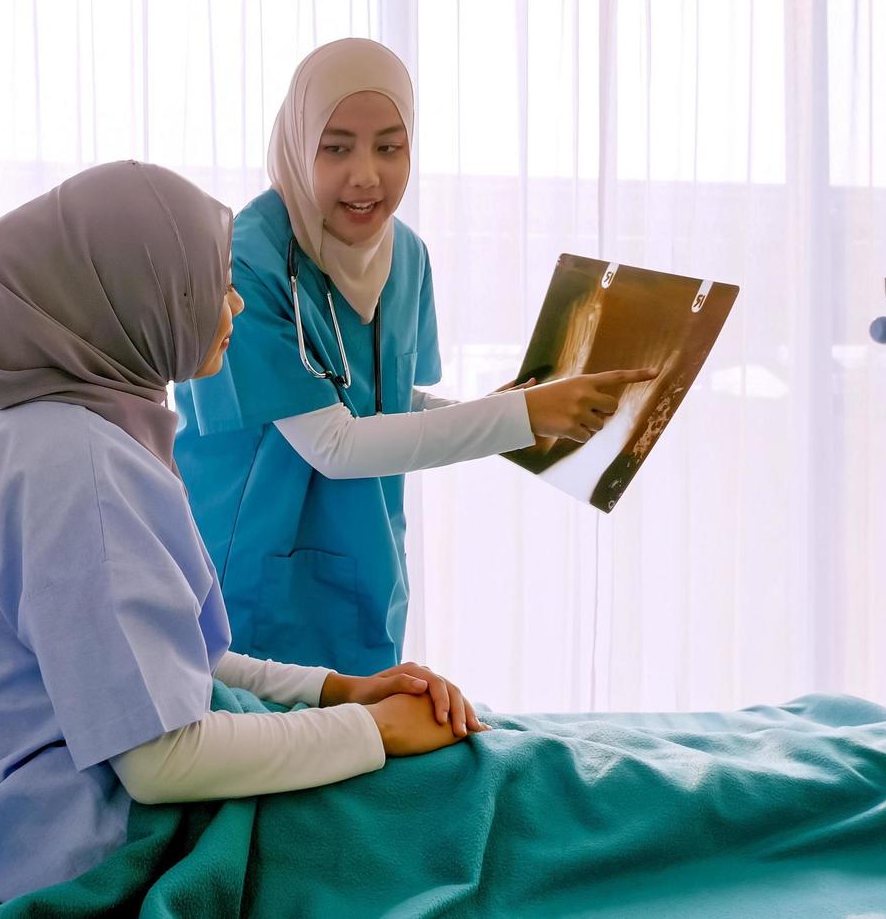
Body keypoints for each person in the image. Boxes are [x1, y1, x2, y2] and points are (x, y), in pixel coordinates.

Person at [0, 161, 486, 902]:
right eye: (210, 285)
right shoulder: (73, 469)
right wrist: (377, 733)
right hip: (84, 838)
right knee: (489, 803)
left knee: (485, 779)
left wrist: (336, 690)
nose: (236, 303)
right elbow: (159, 757)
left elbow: (169, 665)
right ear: (130, 297)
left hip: (68, 812)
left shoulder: (58, 437)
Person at [175, 39, 654, 674]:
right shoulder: (243, 260)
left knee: (368, 758)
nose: (367, 175)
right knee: (265, 748)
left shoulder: (406, 257)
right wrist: (523, 417)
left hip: (364, 559)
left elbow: (390, 402)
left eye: (390, 147)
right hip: (248, 564)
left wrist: (525, 410)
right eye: (337, 147)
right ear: (296, 144)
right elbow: (334, 445)